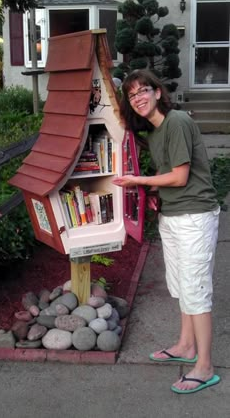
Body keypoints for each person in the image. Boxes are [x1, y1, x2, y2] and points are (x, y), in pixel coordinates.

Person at [112, 69, 220, 394]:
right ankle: (186, 346)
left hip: (195, 217)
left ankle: (205, 366)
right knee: (182, 287)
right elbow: (167, 175)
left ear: (158, 92)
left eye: (144, 90)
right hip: (174, 216)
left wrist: (139, 181)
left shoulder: (177, 122)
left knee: (196, 290)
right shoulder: (156, 132)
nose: (139, 98)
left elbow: (179, 177)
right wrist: (157, 197)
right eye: (132, 95)